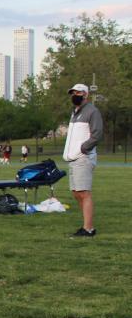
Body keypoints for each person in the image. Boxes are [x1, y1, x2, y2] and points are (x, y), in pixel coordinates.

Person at [64, 83, 105, 237]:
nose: (74, 95)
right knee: (76, 192)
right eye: (73, 93)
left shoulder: (92, 111)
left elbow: (97, 134)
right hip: (73, 158)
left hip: (83, 157)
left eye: (78, 93)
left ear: (85, 94)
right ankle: (87, 224)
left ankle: (88, 229)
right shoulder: (74, 112)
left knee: (84, 192)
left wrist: (83, 148)